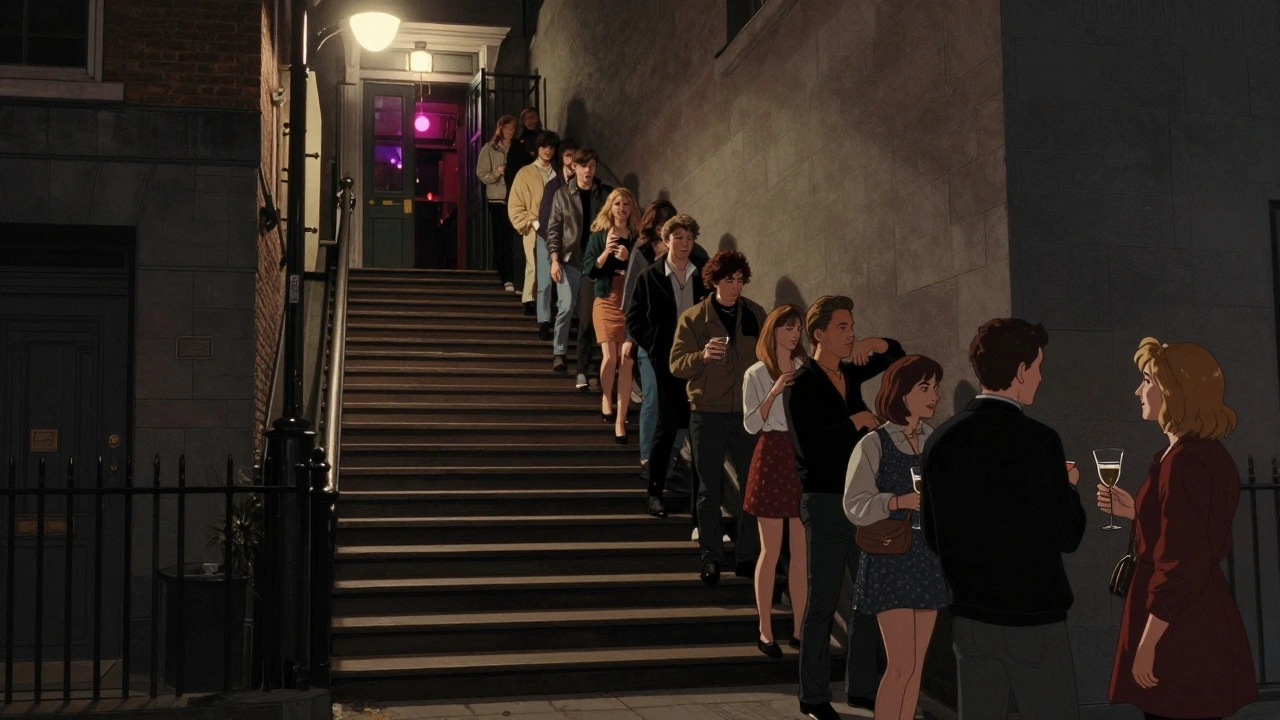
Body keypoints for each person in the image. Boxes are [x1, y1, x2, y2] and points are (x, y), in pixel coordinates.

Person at [922, 318, 1086, 720]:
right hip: (1033, 618)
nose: (1041, 377)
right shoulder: (1040, 441)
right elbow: (1068, 534)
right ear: (1019, 371)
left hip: (970, 618)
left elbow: (932, 535)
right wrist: (1068, 487)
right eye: (1038, 367)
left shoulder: (940, 440)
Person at [1096, 338, 1257, 720]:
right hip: (1194, 612)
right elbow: (1188, 527)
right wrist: (1138, 511)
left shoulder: (1182, 463)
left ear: (1175, 391)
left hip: (1179, 625)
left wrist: (1149, 642)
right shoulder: (1195, 454)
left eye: (1148, 380)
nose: (1139, 390)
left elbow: (1183, 559)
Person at [784, 295, 902, 720]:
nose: (850, 335)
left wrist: (872, 341)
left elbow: (896, 355)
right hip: (825, 502)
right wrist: (853, 423)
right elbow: (808, 449)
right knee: (823, 602)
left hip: (861, 501)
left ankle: (862, 688)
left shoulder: (849, 372)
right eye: (843, 328)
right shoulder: (800, 385)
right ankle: (813, 697)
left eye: (852, 326)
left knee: (868, 598)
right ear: (819, 334)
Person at [844, 355, 949, 720]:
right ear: (901, 393)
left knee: (916, 667)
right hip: (891, 560)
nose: (933, 394)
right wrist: (897, 501)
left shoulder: (932, 438)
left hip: (926, 558)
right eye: (924, 388)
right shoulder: (874, 444)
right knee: (900, 665)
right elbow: (853, 505)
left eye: (935, 387)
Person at [669, 250, 764, 585]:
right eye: (729, 280)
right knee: (710, 489)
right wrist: (702, 356)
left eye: (740, 280)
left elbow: (769, 358)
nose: (736, 286)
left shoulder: (754, 313)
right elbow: (676, 365)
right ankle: (710, 557)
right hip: (706, 414)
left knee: (753, 487)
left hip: (745, 414)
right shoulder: (694, 318)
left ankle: (748, 556)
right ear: (714, 281)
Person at [626, 214, 709, 518]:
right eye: (679, 238)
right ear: (666, 240)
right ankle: (654, 493)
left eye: (689, 238)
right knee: (665, 427)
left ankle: (701, 502)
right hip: (666, 363)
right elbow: (633, 319)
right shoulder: (649, 276)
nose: (685, 244)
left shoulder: (703, 277)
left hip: (699, 364)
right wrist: (656, 346)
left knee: (699, 431)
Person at [741, 304, 809, 658]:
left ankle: (799, 628)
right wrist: (774, 391)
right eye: (788, 328)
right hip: (770, 454)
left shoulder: (805, 369)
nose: (795, 334)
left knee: (800, 552)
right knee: (770, 550)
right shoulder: (755, 373)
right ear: (774, 332)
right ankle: (765, 629)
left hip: (798, 456)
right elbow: (751, 425)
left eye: (798, 328)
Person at [547, 148, 613, 388]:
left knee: (590, 314)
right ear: (574, 168)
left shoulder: (603, 194)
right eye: (584, 166)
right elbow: (554, 229)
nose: (588, 171)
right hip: (569, 260)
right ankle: (559, 352)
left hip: (594, 262)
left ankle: (588, 361)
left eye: (592, 167)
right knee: (565, 307)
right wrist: (554, 259)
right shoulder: (563, 195)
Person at [582, 188, 642, 443]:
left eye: (626, 204)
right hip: (605, 299)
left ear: (631, 208)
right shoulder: (599, 235)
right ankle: (606, 397)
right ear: (610, 207)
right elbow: (589, 270)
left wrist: (629, 260)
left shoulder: (637, 238)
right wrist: (606, 252)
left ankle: (620, 420)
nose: (621, 208)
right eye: (617, 203)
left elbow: (645, 272)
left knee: (626, 361)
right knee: (610, 356)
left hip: (629, 303)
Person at [508, 131, 559, 319]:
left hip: (558, 228)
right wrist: (532, 222)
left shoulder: (558, 174)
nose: (547, 150)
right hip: (535, 227)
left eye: (551, 147)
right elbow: (515, 204)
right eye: (544, 146)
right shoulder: (525, 173)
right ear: (537, 148)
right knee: (534, 263)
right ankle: (530, 300)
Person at [536, 137, 580, 340]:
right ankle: (544, 321)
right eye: (568, 156)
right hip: (547, 236)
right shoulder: (553, 185)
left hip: (571, 241)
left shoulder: (581, 185)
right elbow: (545, 217)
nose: (571, 160)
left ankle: (570, 321)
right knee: (545, 282)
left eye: (574, 156)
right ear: (562, 158)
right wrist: (551, 242)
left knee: (569, 282)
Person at [504, 107, 543, 312]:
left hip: (543, 205)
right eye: (526, 117)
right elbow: (512, 172)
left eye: (533, 116)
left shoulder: (546, 140)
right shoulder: (517, 146)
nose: (531, 120)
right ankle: (525, 291)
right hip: (525, 202)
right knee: (524, 248)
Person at [477, 115, 518, 292]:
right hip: (497, 200)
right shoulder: (489, 149)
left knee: (514, 240)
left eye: (514, 128)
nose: (512, 131)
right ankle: (505, 277)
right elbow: (481, 174)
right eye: (508, 128)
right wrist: (496, 174)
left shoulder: (517, 148)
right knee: (501, 240)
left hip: (515, 200)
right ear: (500, 128)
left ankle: (515, 277)